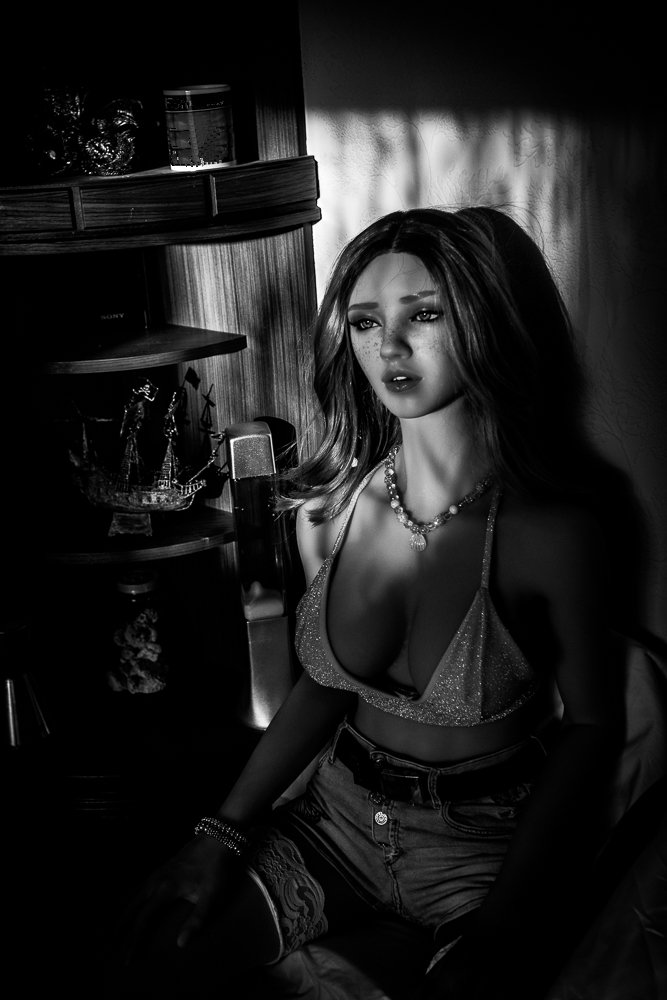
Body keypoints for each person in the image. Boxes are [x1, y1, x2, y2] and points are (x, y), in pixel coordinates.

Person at [108, 207, 623, 1000]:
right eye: (365, 322)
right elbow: (325, 683)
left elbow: (591, 727)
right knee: (150, 951)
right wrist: (218, 832)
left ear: (484, 320)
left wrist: (505, 917)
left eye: (425, 315)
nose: (390, 347)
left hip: (482, 849)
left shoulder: (550, 528)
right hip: (334, 822)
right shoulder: (337, 505)